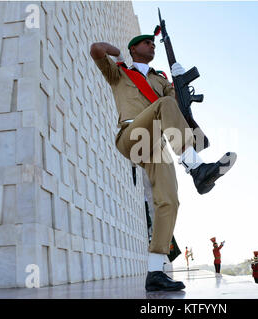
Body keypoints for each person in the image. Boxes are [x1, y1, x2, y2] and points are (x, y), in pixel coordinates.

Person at [90, 31, 236, 292]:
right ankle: (196, 169)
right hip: (132, 135)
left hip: (156, 145)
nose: (152, 45)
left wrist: (179, 81)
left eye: (153, 43)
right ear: (134, 48)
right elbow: (96, 49)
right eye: (147, 42)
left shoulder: (160, 79)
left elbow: (176, 108)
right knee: (164, 105)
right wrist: (119, 54)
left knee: (169, 200)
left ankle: (155, 271)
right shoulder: (119, 71)